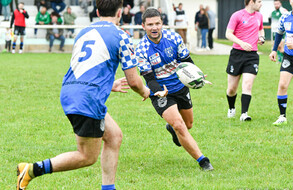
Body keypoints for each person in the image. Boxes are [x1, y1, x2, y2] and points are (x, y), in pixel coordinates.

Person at [16, 0, 150, 189]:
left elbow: (85, 67)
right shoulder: (121, 36)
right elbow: (135, 81)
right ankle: (30, 170)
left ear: (97, 11)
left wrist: (108, 84)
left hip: (71, 91)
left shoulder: (83, 32)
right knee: (87, 156)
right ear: (120, 13)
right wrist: (146, 91)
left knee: (114, 137)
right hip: (88, 99)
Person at [135, 8, 213, 171]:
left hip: (181, 86)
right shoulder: (141, 48)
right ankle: (203, 161)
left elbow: (186, 60)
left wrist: (197, 75)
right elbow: (149, 78)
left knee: (188, 124)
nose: (154, 27)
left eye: (157, 23)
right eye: (150, 25)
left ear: (162, 24)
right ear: (143, 26)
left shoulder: (174, 38)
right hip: (160, 92)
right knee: (179, 125)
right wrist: (158, 91)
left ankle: (171, 129)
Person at [225, 0, 264, 121]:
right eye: (259, 1)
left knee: (247, 84)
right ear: (251, 2)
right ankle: (231, 108)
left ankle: (244, 114)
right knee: (232, 89)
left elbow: (260, 29)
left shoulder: (259, 16)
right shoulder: (237, 15)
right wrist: (242, 43)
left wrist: (261, 37)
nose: (261, 4)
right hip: (237, 54)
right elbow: (228, 34)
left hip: (252, 55)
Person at [269, 0, 293, 125]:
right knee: (282, 85)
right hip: (289, 57)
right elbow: (279, 33)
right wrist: (274, 50)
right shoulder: (285, 17)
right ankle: (282, 116)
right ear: (290, 2)